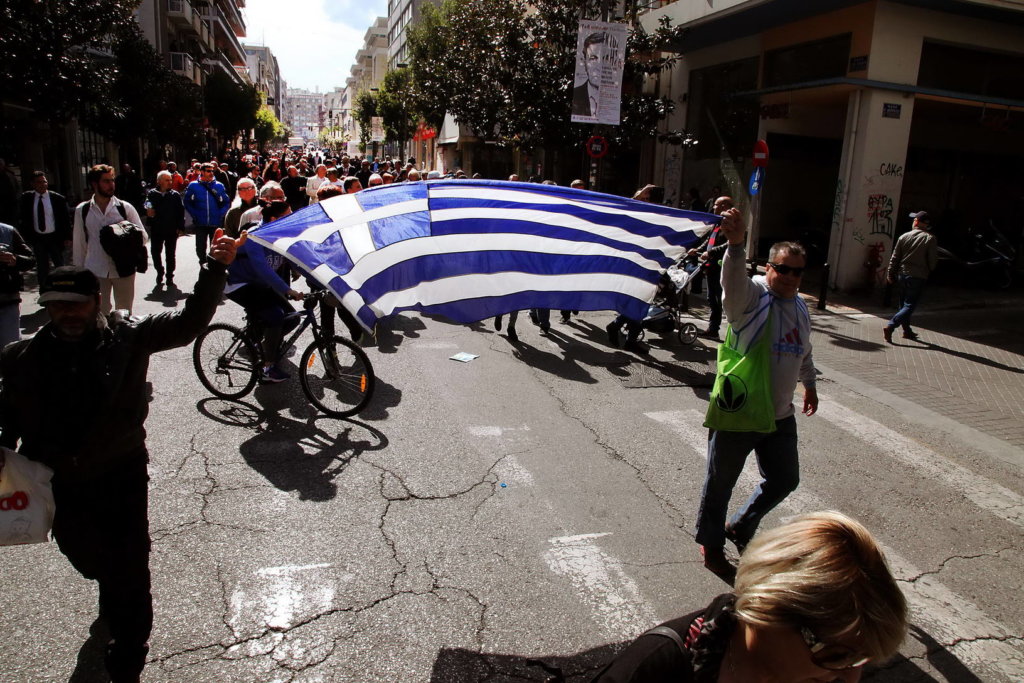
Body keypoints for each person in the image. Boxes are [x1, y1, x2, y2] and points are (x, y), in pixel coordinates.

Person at [0, 231, 245, 683]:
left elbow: (189, 322)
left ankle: (130, 647)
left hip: (121, 470)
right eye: (56, 305)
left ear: (97, 302)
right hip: (59, 480)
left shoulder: (128, 336)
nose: (67, 314)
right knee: (90, 560)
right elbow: (7, 418)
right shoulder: (21, 358)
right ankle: (110, 590)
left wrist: (214, 267)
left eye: (75, 304)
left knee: (130, 562)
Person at [592, 511, 907, 682]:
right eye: (837, 656)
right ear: (768, 611)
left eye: (861, 659)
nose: (850, 679)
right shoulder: (655, 668)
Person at [695, 208, 817, 579]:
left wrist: (809, 384)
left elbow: (805, 349)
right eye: (783, 269)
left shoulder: (798, 305)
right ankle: (712, 542)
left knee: (785, 479)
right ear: (768, 268)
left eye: (797, 271)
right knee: (720, 483)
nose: (790, 277)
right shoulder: (751, 300)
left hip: (779, 415)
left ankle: (741, 525)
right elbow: (731, 285)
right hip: (742, 410)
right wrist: (735, 244)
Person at [225, 200, 304, 383]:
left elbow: (296, 260)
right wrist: (288, 290)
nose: (292, 217)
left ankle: (262, 347)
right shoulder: (254, 235)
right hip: (240, 284)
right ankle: (268, 367)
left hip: (259, 285)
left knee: (293, 317)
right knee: (275, 315)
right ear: (274, 219)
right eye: (288, 214)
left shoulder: (280, 234)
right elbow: (262, 269)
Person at [73, 164, 147, 315]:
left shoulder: (125, 208)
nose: (111, 185)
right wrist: (78, 274)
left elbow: (144, 237)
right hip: (95, 269)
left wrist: (125, 235)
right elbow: (79, 244)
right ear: (95, 184)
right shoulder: (83, 210)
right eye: (106, 181)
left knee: (124, 314)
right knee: (99, 313)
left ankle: (122, 339)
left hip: (123, 270)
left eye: (112, 180)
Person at [884, 211, 937, 343]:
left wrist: (890, 273)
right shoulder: (930, 239)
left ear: (917, 222)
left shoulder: (904, 237)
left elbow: (895, 258)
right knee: (909, 305)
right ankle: (891, 325)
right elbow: (932, 262)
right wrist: (930, 269)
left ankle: (907, 331)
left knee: (903, 305)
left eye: (914, 219)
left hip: (903, 274)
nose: (913, 221)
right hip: (918, 276)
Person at [687, 195, 734, 339]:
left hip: (721, 267)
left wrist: (711, 252)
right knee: (712, 298)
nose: (713, 207)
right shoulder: (717, 222)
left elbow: (730, 243)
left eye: (716, 204)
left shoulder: (731, 222)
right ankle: (712, 329)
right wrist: (698, 249)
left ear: (724, 206)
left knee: (717, 299)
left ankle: (715, 329)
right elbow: (710, 240)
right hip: (711, 265)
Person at [19, 171, 71, 285]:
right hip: (38, 238)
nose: (42, 184)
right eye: (39, 182)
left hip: (54, 237)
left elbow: (65, 220)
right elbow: (24, 218)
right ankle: (44, 289)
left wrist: (67, 237)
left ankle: (63, 287)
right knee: (42, 267)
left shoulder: (57, 199)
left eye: (44, 182)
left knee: (59, 265)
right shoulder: (27, 198)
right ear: (33, 184)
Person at [144, 170, 185, 288]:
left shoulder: (175, 195)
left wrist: (180, 227)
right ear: (159, 181)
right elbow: (146, 204)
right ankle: (159, 271)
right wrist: (149, 209)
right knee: (155, 252)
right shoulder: (152, 193)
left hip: (171, 229)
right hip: (157, 229)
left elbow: (180, 212)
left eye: (170, 180)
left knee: (170, 254)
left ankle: (169, 275)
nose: (170, 182)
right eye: (167, 180)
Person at [183, 163, 230, 263]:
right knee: (200, 248)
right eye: (208, 171)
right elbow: (187, 201)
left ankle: (212, 266)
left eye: (212, 171)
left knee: (215, 247)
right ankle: (203, 263)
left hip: (215, 222)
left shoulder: (219, 186)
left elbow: (226, 202)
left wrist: (220, 213)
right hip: (200, 222)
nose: (211, 173)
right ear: (202, 172)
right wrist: (194, 213)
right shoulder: (193, 185)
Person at [0, 221, 35, 347]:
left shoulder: (7, 231)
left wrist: (15, 259)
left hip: (6, 301)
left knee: (9, 348)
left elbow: (30, 259)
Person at [572, 31, 609, 118]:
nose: (599, 66)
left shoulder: (616, 99)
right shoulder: (576, 97)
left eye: (605, 58)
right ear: (585, 62)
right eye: (593, 58)